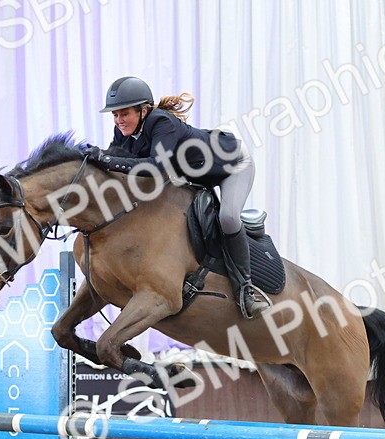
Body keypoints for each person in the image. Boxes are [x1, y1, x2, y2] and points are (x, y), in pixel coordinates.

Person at [85, 76, 271, 319]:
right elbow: (117, 163)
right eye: (115, 115)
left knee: (227, 217)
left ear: (143, 110)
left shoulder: (162, 122)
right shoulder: (124, 131)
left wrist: (106, 159)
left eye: (124, 114)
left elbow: (155, 166)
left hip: (232, 165)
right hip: (196, 176)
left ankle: (246, 290)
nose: (119, 120)